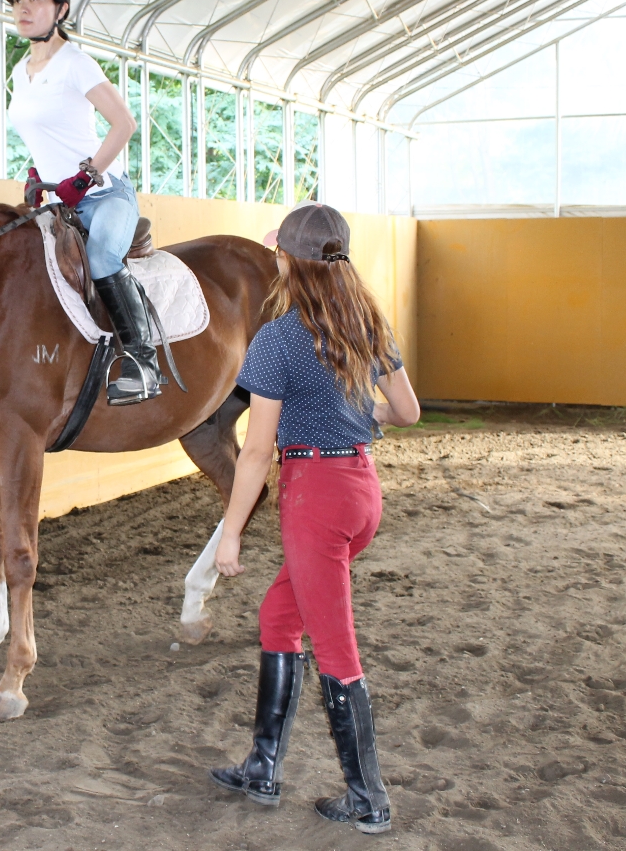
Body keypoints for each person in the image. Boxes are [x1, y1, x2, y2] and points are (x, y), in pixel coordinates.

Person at [206, 202, 420, 834]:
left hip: (314, 497)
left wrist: (231, 533)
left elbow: (255, 451)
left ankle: (368, 797)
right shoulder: (368, 322)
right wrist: (360, 417)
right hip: (360, 491)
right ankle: (262, 766)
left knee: (334, 645)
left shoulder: (278, 340)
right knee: (280, 615)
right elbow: (407, 411)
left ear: (287, 262)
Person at [3, 0, 161, 405]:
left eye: (35, 0)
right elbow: (45, 135)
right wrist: (39, 176)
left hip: (104, 192)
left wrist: (86, 175)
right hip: (56, 198)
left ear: (61, 10)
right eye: (18, 2)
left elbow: (124, 123)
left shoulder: (76, 63)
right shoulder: (21, 71)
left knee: (102, 257)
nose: (23, 9)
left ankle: (143, 362)